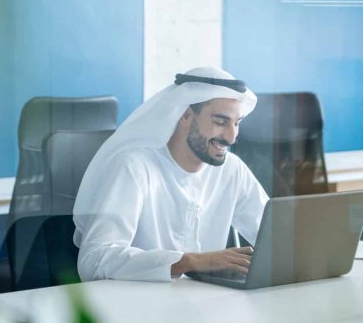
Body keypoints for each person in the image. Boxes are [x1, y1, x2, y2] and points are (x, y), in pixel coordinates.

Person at [73, 67, 268, 282]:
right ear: (184, 115)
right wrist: (187, 261)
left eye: (236, 123)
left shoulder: (232, 169)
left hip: (207, 304)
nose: (231, 137)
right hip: (138, 307)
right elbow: (95, 260)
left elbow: (275, 237)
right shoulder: (134, 166)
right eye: (220, 122)